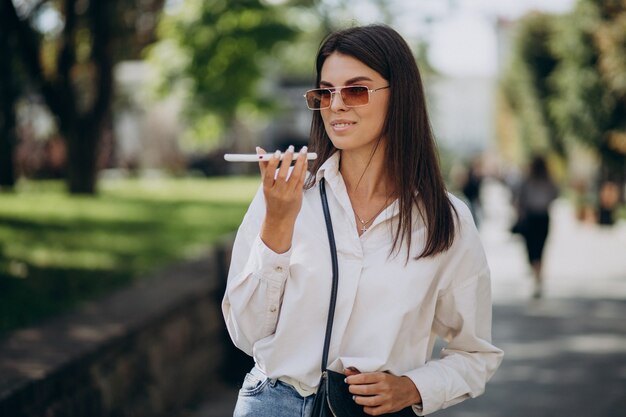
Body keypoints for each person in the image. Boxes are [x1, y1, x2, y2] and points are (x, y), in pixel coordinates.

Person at [223, 24, 503, 417]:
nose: (336, 105)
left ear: (399, 95)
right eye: (325, 91)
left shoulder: (446, 220)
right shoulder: (286, 194)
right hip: (272, 404)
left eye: (356, 90)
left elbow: (475, 354)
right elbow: (246, 333)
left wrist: (412, 388)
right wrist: (278, 226)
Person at [512, 155, 559, 299]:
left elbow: (518, 199)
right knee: (539, 249)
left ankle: (536, 277)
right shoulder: (546, 181)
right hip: (541, 217)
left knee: (533, 249)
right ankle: (538, 277)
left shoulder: (528, 181)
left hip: (532, 218)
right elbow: (555, 195)